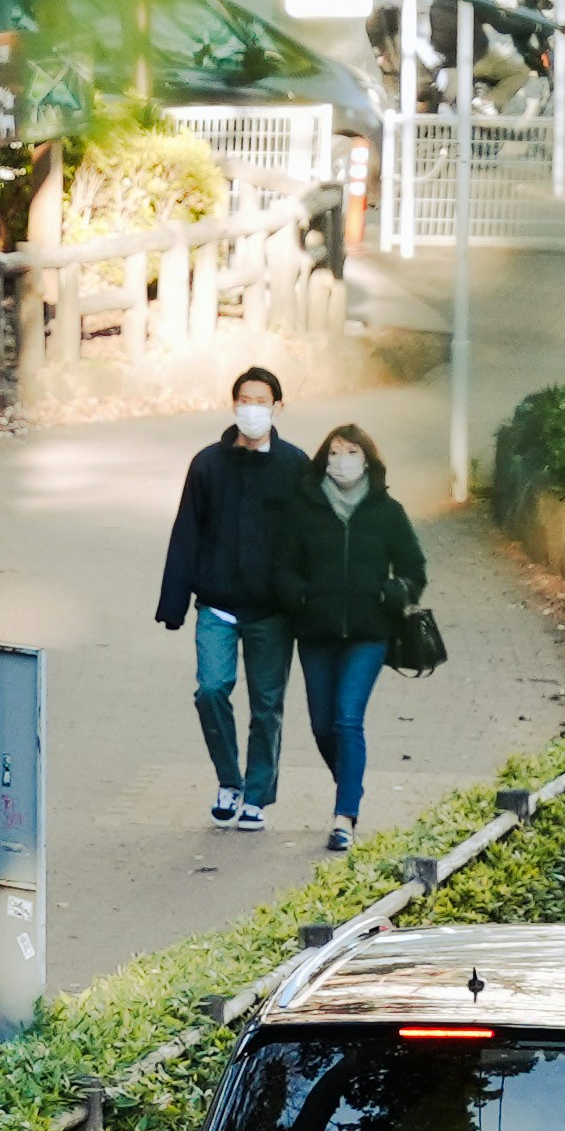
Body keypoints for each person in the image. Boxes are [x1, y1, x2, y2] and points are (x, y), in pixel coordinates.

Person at [275, 419, 430, 854]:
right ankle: (351, 787)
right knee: (323, 726)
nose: (343, 461)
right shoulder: (304, 507)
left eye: (352, 452)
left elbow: (414, 568)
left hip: (369, 633)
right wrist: (297, 595)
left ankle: (345, 816)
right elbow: (283, 565)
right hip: (316, 632)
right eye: (336, 452)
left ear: (368, 460)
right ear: (324, 458)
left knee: (347, 719)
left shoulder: (386, 511)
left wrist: (393, 592)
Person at [154, 363, 299, 830]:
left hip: (272, 612)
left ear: (278, 407)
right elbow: (186, 533)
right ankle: (229, 780)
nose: (251, 409)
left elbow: (309, 540)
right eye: (244, 400)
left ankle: (257, 794)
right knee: (210, 690)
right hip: (216, 604)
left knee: (266, 705)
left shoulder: (296, 467)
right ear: (233, 405)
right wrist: (173, 604)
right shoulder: (208, 464)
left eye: (261, 401)